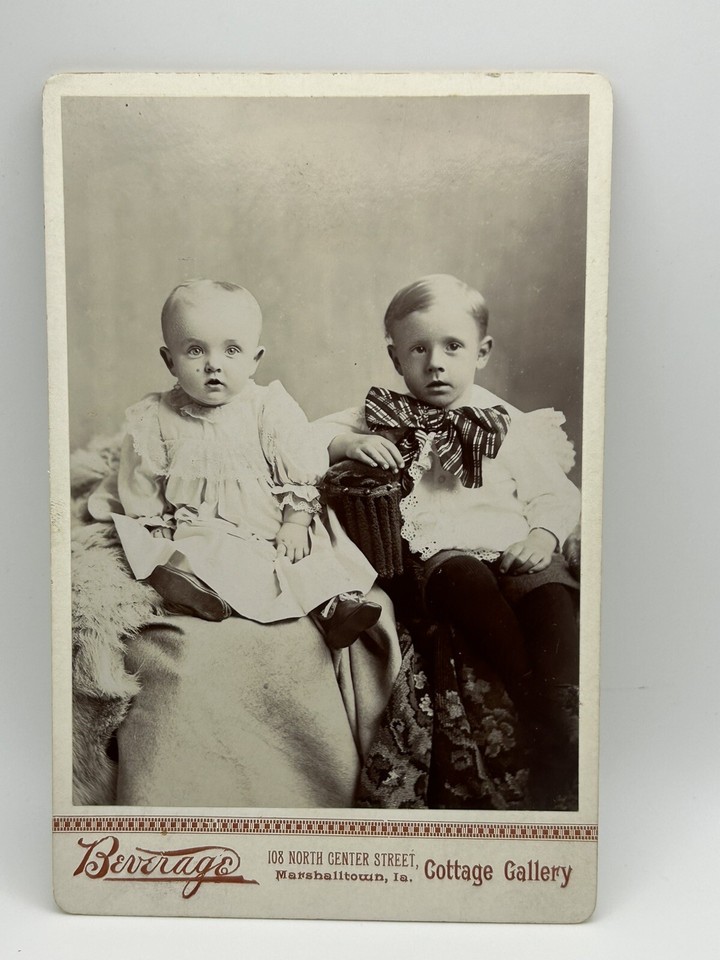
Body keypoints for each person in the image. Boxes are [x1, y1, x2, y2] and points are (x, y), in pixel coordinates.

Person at [320, 273, 582, 803]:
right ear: (396, 359)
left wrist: (541, 533)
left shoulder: (503, 422)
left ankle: (566, 713)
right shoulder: (381, 413)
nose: (435, 362)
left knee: (551, 593)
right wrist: (348, 442)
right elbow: (300, 436)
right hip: (441, 558)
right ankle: (530, 699)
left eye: (452, 346)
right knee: (463, 579)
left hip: (512, 543)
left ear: (482, 352)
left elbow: (557, 494)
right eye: (418, 349)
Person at [90, 278, 381, 650]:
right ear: (169, 360)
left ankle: (336, 608)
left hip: (276, 522)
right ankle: (198, 593)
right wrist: (156, 526)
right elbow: (143, 482)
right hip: (206, 523)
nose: (214, 365)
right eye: (195, 351)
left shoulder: (267, 406)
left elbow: (300, 465)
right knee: (207, 551)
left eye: (232, 351)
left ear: (254, 359)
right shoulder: (155, 416)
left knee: (312, 555)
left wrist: (296, 520)